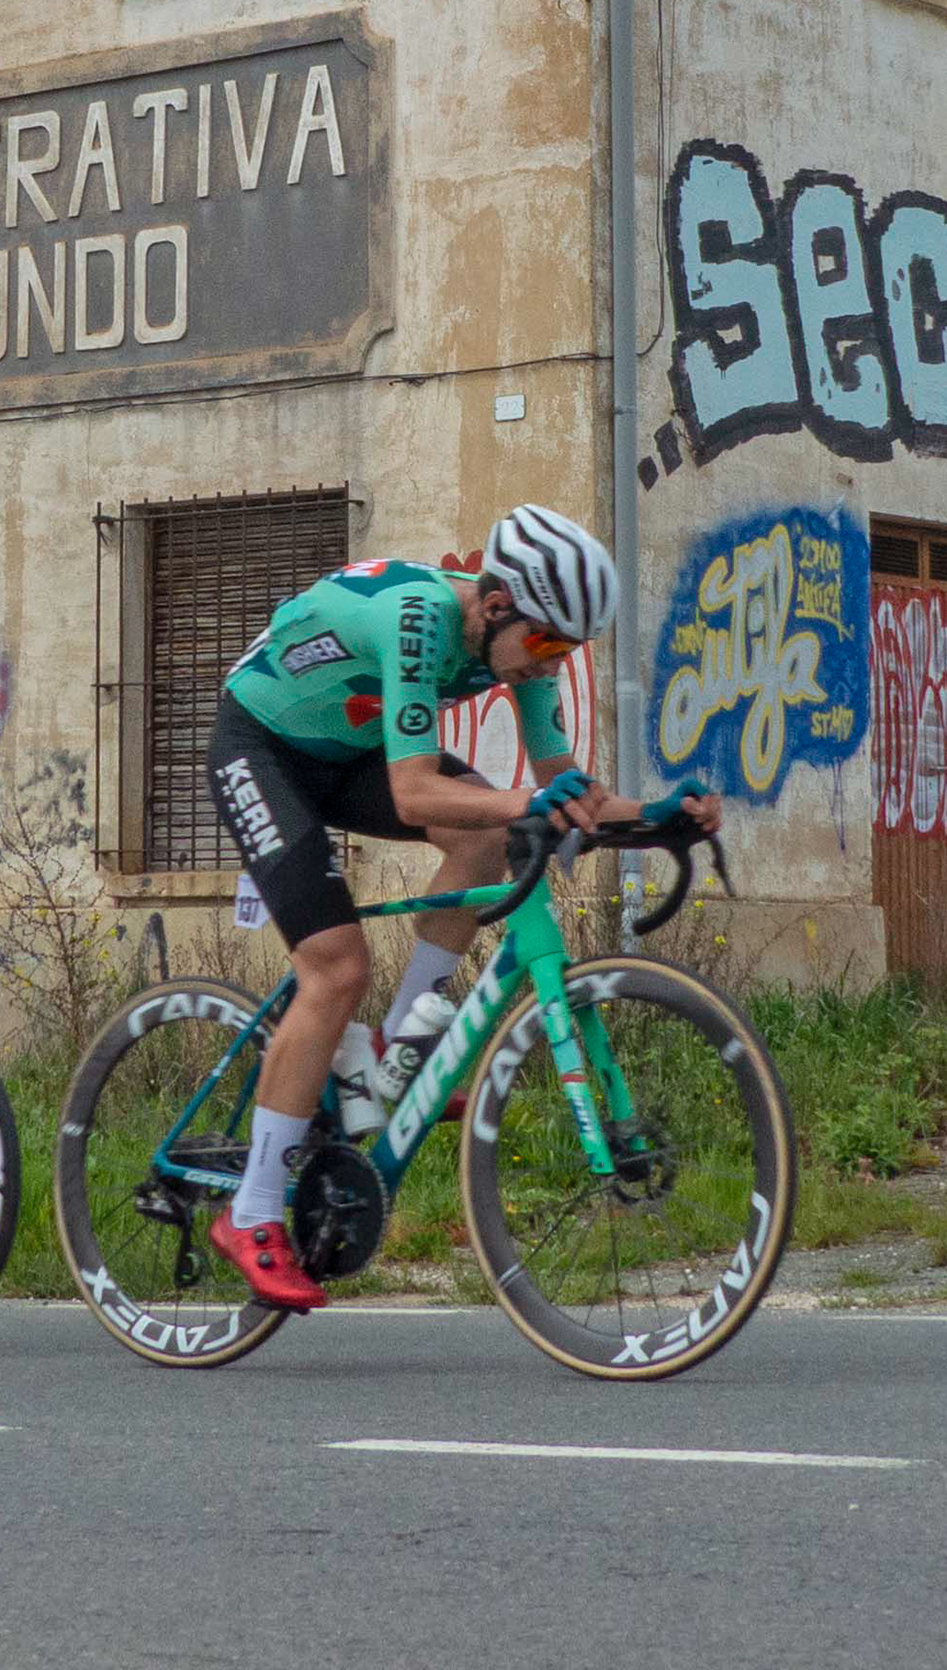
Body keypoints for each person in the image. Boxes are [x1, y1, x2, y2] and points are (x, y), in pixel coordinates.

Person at [199, 503, 709, 1311]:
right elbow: (412, 793)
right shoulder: (421, 619)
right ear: (498, 602)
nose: (550, 665)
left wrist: (657, 817)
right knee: (335, 966)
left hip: (350, 750)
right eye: (546, 644)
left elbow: (562, 785)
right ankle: (252, 1212)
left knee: (485, 837)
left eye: (568, 651)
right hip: (263, 749)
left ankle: (400, 1049)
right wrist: (531, 802)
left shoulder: (518, 653)